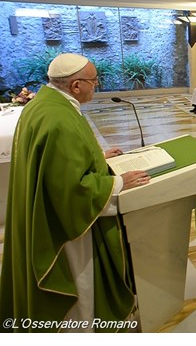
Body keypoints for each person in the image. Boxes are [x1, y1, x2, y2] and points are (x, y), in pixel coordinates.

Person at [0, 53, 150, 332]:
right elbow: (72, 189)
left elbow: (57, 160)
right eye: (94, 80)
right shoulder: (59, 119)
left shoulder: (47, 104)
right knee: (81, 286)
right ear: (76, 86)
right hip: (64, 229)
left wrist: (96, 156)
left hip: (41, 210)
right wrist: (118, 183)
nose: (97, 85)